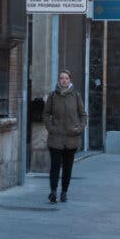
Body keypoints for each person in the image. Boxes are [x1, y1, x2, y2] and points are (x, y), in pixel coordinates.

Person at [43, 69, 87, 203]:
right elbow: (46, 114)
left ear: (70, 80)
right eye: (62, 78)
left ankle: (64, 192)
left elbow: (83, 115)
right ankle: (53, 191)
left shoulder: (76, 96)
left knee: (68, 167)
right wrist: (51, 128)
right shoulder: (53, 96)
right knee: (55, 166)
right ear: (58, 80)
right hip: (56, 138)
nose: (64, 80)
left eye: (66, 78)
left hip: (71, 138)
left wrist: (78, 128)